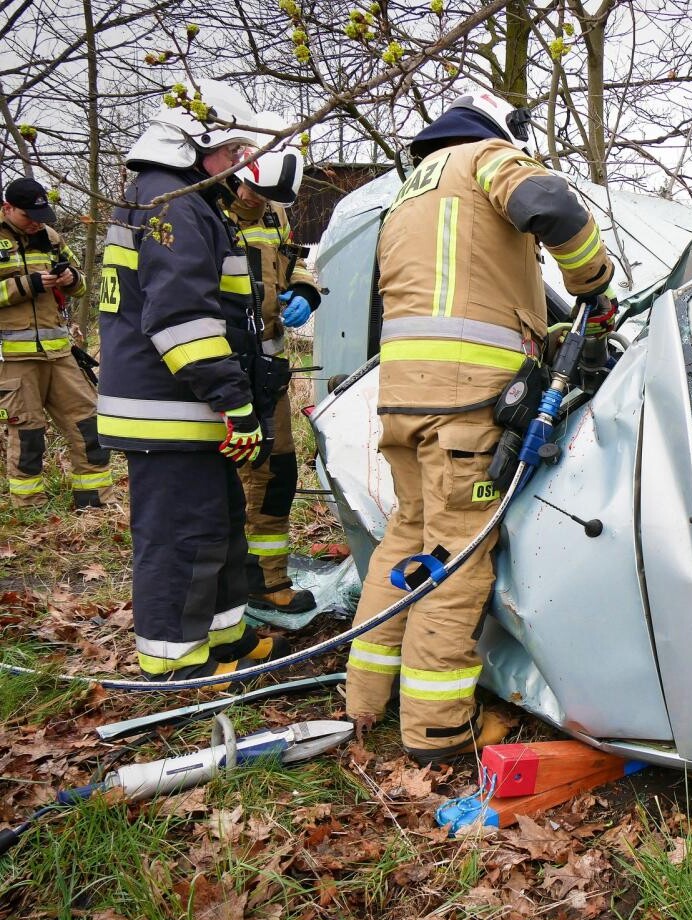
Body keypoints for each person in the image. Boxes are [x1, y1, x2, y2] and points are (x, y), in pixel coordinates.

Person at [345, 89, 617, 762]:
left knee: (406, 536)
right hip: (464, 401)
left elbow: (465, 287)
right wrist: (593, 282)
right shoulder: (485, 157)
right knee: (458, 557)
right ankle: (436, 728)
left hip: (404, 395)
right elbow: (551, 205)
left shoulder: (412, 190)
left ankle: (365, 698)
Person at [97, 79, 283, 685]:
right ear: (193, 144)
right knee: (181, 539)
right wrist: (235, 403)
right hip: (170, 409)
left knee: (217, 529)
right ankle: (174, 663)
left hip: (185, 408)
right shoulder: (171, 204)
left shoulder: (184, 201)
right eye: (230, 150)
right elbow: (184, 320)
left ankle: (224, 637)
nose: (238, 162)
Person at [224, 134, 322, 614]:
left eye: (269, 196)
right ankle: (222, 586)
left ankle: (267, 580)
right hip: (218, 370)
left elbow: (294, 262)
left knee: (278, 471)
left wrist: (304, 291)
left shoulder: (274, 213)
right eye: (253, 191)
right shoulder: (203, 213)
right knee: (225, 482)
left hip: (269, 369)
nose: (257, 201)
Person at [0, 177, 112, 509]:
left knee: (89, 425)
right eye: (28, 216)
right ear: (7, 208)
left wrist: (71, 278)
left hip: (59, 353)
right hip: (14, 360)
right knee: (29, 435)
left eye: (41, 216)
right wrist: (29, 284)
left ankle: (95, 503)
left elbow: (82, 285)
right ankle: (28, 509)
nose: (36, 222)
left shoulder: (50, 237)